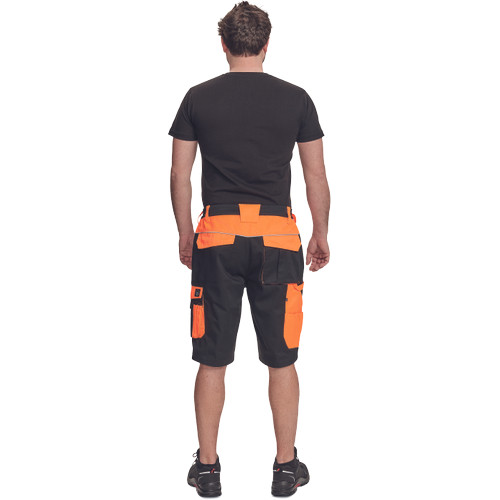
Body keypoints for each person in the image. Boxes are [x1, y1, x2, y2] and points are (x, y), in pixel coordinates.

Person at [169, 2, 330, 496]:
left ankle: (208, 468)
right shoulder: (296, 99)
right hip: (278, 241)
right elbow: (315, 176)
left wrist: (185, 234)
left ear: (223, 44)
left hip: (216, 240)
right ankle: (285, 467)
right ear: (266, 44)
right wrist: (321, 233)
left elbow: (180, 175)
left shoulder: (197, 98)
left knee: (212, 359)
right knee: (281, 359)